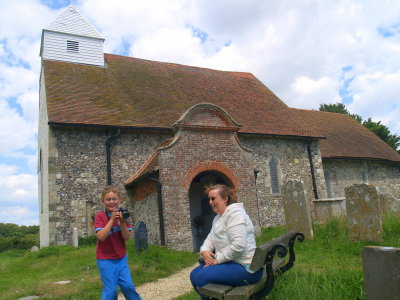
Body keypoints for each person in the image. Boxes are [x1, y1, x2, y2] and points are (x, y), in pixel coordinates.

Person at [190, 184, 263, 299]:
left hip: (247, 267)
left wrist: (217, 260)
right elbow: (211, 238)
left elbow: (238, 246)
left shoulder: (235, 215)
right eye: (209, 199)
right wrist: (205, 251)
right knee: (194, 275)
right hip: (232, 263)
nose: (210, 202)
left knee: (201, 277)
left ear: (225, 198)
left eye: (213, 198)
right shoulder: (218, 218)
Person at [95, 185, 142, 300]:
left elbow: (126, 237)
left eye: (114, 199)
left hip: (121, 258)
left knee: (128, 286)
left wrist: (121, 222)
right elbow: (101, 237)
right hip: (105, 259)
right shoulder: (100, 216)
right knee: (110, 290)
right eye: (108, 199)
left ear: (119, 200)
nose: (112, 202)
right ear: (103, 201)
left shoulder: (123, 214)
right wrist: (112, 220)